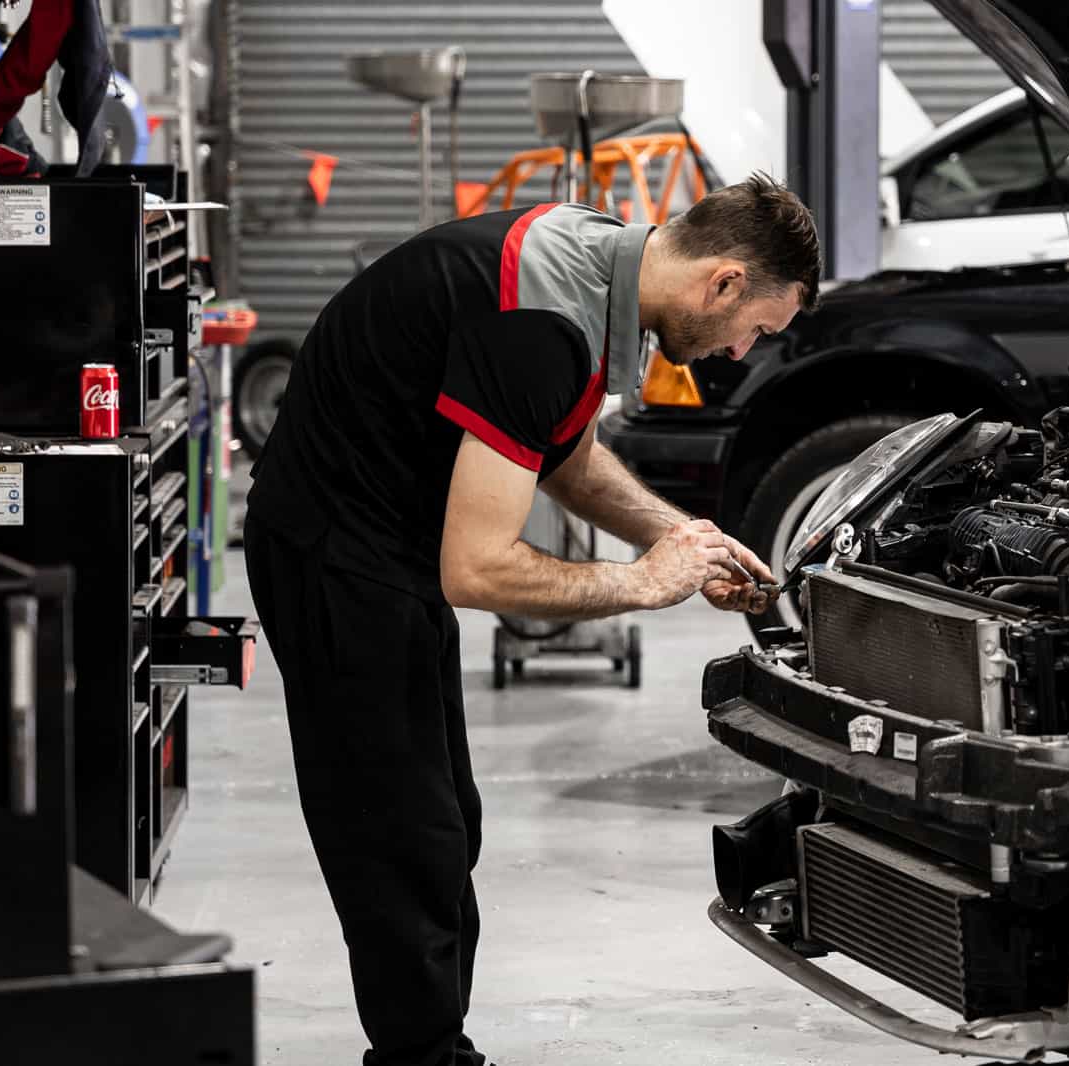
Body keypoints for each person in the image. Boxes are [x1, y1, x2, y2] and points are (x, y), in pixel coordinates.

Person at [241, 173, 821, 1066]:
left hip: (390, 545)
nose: (743, 352)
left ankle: (432, 1043)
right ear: (724, 283)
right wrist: (641, 583)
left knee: (446, 820)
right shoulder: (543, 326)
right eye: (758, 330)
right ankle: (423, 1058)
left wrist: (684, 536)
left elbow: (568, 459)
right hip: (335, 555)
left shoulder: (595, 257)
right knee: (400, 834)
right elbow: (476, 569)